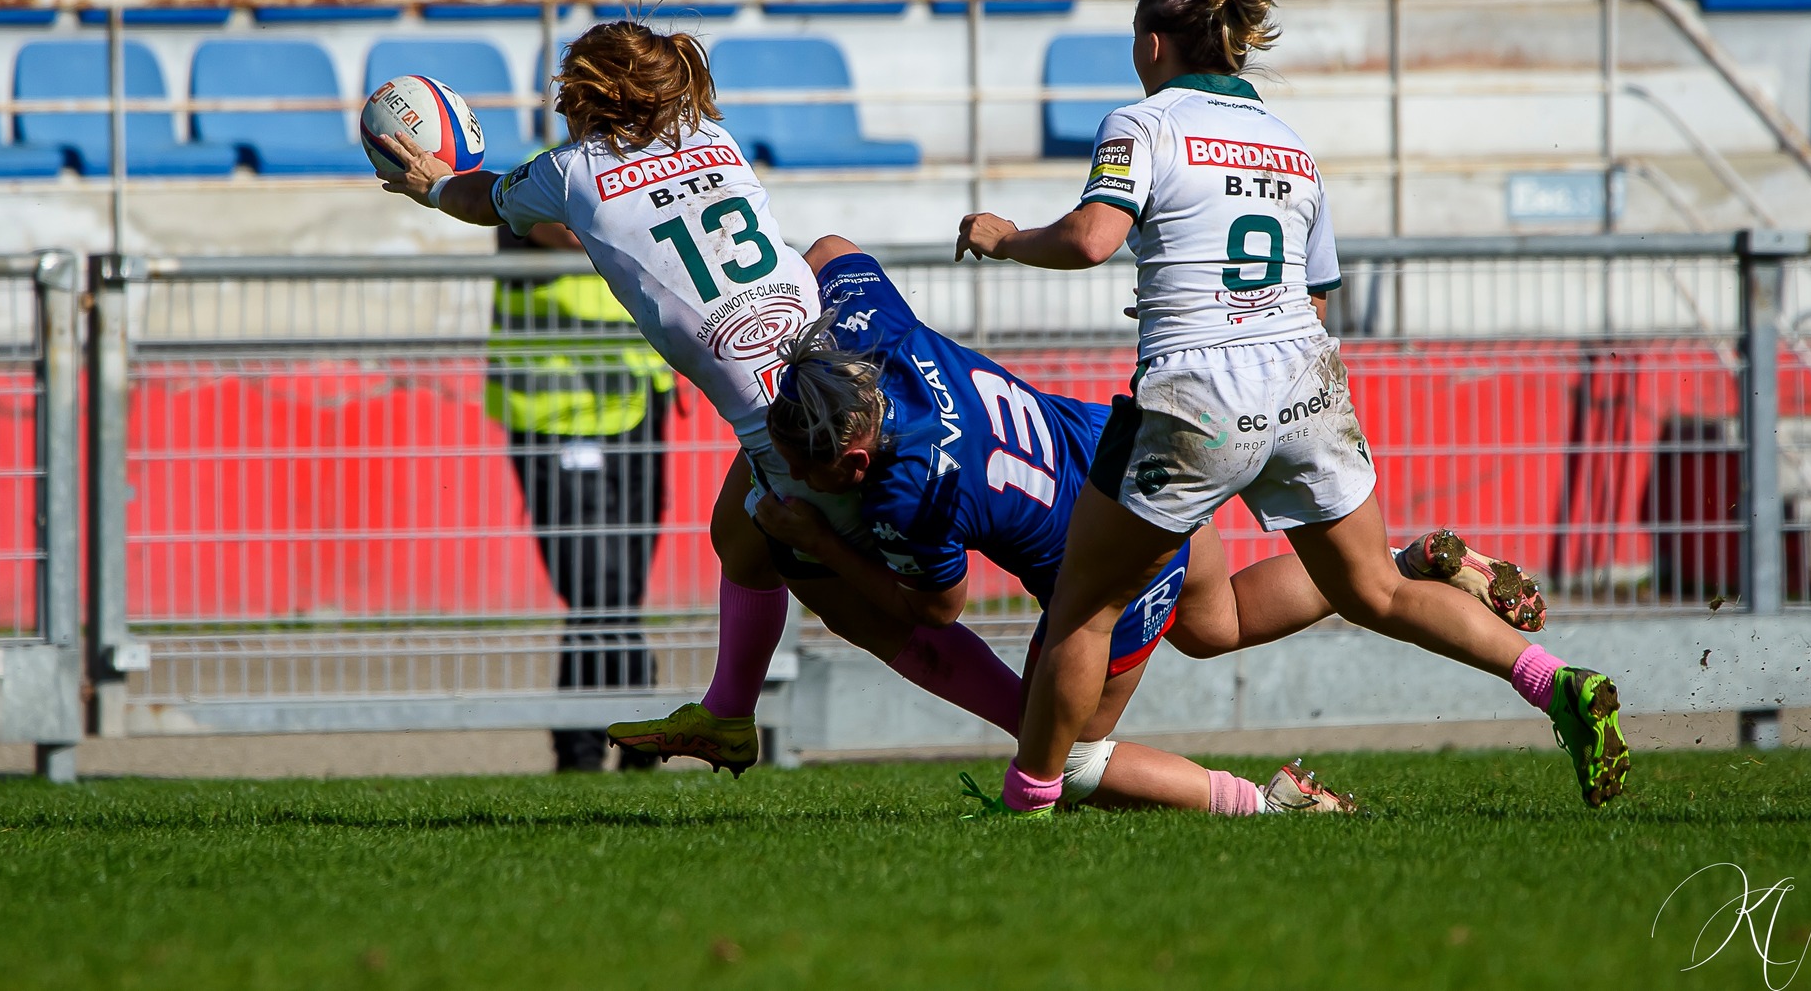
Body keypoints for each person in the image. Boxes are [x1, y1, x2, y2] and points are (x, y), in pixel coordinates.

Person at [954, 0, 1630, 815]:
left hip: (1199, 392)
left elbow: (1090, 238)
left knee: (1087, 606)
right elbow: (1309, 295)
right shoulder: (1291, 145)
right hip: (1308, 382)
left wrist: (1004, 234)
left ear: (1155, 43)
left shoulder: (1143, 120)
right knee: (1373, 590)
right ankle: (1552, 679)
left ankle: (1030, 799)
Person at [620, 233, 1549, 814]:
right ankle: (1409, 557)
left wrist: (822, 546)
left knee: (1079, 760)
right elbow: (829, 250)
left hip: (1117, 553)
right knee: (1218, 621)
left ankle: (1271, 806)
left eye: (818, 475)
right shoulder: (878, 337)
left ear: (854, 460)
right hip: (1130, 455)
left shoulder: (905, 491)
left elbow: (935, 611)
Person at [377, 20, 1020, 777]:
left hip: (790, 438)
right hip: (848, 375)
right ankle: (728, 713)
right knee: (736, 531)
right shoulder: (716, 137)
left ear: (584, 97)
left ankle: (1040, 725)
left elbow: (486, 199)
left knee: (880, 617)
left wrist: (434, 187)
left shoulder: (575, 171)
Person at [489, 217, 673, 772]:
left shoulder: (628, 181)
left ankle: (600, 747)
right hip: (556, 413)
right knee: (599, 587)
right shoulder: (542, 175)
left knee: (620, 590)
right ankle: (613, 740)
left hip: (637, 403)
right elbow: (568, 231)